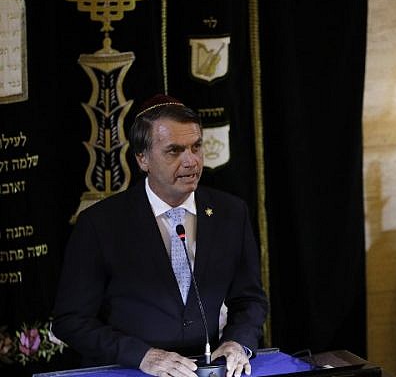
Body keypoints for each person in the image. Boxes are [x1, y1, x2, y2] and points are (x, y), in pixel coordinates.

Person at [52, 94, 268, 377]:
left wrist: (236, 342)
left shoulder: (231, 213)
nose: (191, 161)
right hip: (131, 370)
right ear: (142, 159)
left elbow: (250, 300)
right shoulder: (100, 224)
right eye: (174, 151)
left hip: (206, 370)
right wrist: (142, 356)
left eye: (196, 147)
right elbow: (70, 321)